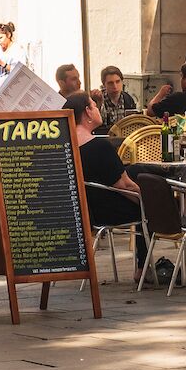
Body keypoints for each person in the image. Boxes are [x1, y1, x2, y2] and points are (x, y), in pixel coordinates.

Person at [68, 91, 146, 270]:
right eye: (95, 106)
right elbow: (124, 186)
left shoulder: (66, 147)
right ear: (88, 111)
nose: (98, 110)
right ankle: (143, 269)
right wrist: (149, 200)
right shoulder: (99, 146)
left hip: (84, 212)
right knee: (146, 211)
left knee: (135, 171)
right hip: (107, 211)